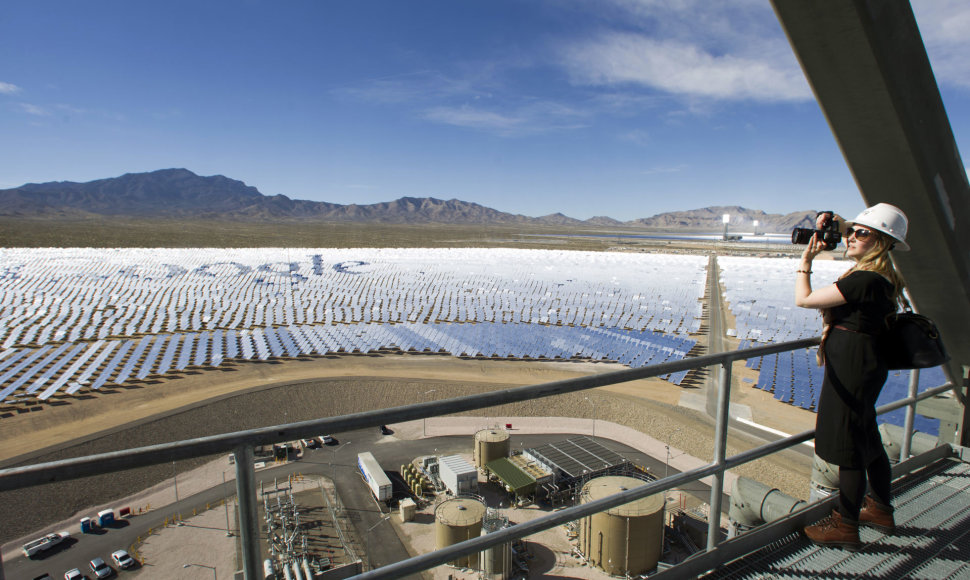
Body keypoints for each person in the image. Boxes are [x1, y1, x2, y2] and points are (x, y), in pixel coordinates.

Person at [794, 203, 909, 551]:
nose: (852, 237)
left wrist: (805, 263)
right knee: (867, 437)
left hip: (854, 369)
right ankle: (881, 509)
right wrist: (835, 223)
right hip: (862, 364)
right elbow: (851, 234)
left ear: (882, 242)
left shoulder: (864, 279)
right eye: (852, 231)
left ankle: (845, 525)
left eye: (862, 233)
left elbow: (806, 299)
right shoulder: (881, 276)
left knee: (850, 447)